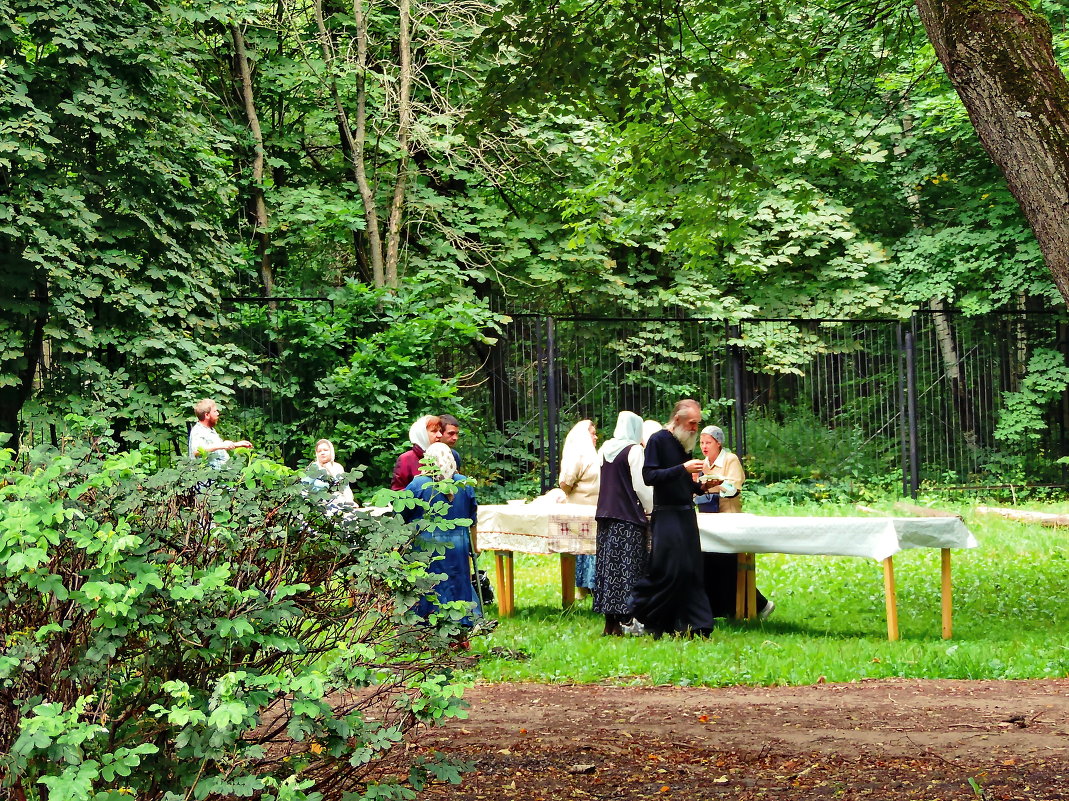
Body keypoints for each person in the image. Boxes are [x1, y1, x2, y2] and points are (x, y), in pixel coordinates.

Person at [628, 399, 714, 637]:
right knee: (668, 569)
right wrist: (683, 469)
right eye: (692, 423)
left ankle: (696, 624)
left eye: (697, 424)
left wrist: (702, 488)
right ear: (678, 420)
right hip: (666, 514)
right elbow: (650, 476)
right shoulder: (658, 440)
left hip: (686, 514)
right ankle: (642, 611)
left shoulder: (683, 442)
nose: (695, 429)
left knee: (691, 569)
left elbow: (683, 480)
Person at [401, 442, 481, 638]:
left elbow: (401, 516)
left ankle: (426, 624)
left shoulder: (418, 485)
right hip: (458, 547)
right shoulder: (464, 484)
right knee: (458, 582)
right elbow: (472, 520)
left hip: (426, 548)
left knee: (429, 584)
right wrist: (475, 548)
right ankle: (461, 624)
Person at [698, 425, 773, 620]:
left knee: (729, 566)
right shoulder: (701, 464)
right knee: (710, 565)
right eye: (702, 442)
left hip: (728, 519)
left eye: (708, 442)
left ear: (718, 443)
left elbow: (734, 489)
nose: (704, 447)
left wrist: (716, 482)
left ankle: (759, 605)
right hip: (708, 519)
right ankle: (719, 610)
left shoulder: (730, 460)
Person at [593, 411, 653, 636]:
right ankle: (627, 620)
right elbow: (641, 485)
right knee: (628, 569)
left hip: (606, 515)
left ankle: (610, 623)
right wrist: (651, 507)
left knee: (608, 569)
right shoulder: (634, 451)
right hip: (628, 517)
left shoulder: (604, 449)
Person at [556, 419, 600, 597]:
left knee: (587, 551)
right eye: (592, 433)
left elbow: (566, 484)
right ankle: (583, 589)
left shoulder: (587, 453)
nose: (596, 437)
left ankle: (587, 587)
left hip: (588, 509)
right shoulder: (580, 454)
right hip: (581, 511)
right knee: (583, 551)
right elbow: (566, 482)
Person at [187, 398, 252, 468]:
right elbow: (197, 451)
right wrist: (222, 445)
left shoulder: (209, 429)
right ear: (207, 415)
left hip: (222, 474)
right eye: (215, 411)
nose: (218, 414)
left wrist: (237, 444)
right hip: (209, 476)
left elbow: (216, 447)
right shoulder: (198, 431)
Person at [391, 415, 442, 491]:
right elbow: (397, 492)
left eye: (440, 431)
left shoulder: (445, 456)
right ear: (422, 434)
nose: (440, 435)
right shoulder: (406, 459)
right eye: (434, 431)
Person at [305, 438, 356, 510]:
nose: (322, 453)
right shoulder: (314, 467)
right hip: (317, 501)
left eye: (325, 450)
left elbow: (345, 487)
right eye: (319, 451)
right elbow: (304, 486)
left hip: (336, 499)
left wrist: (350, 501)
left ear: (331, 451)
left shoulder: (338, 467)